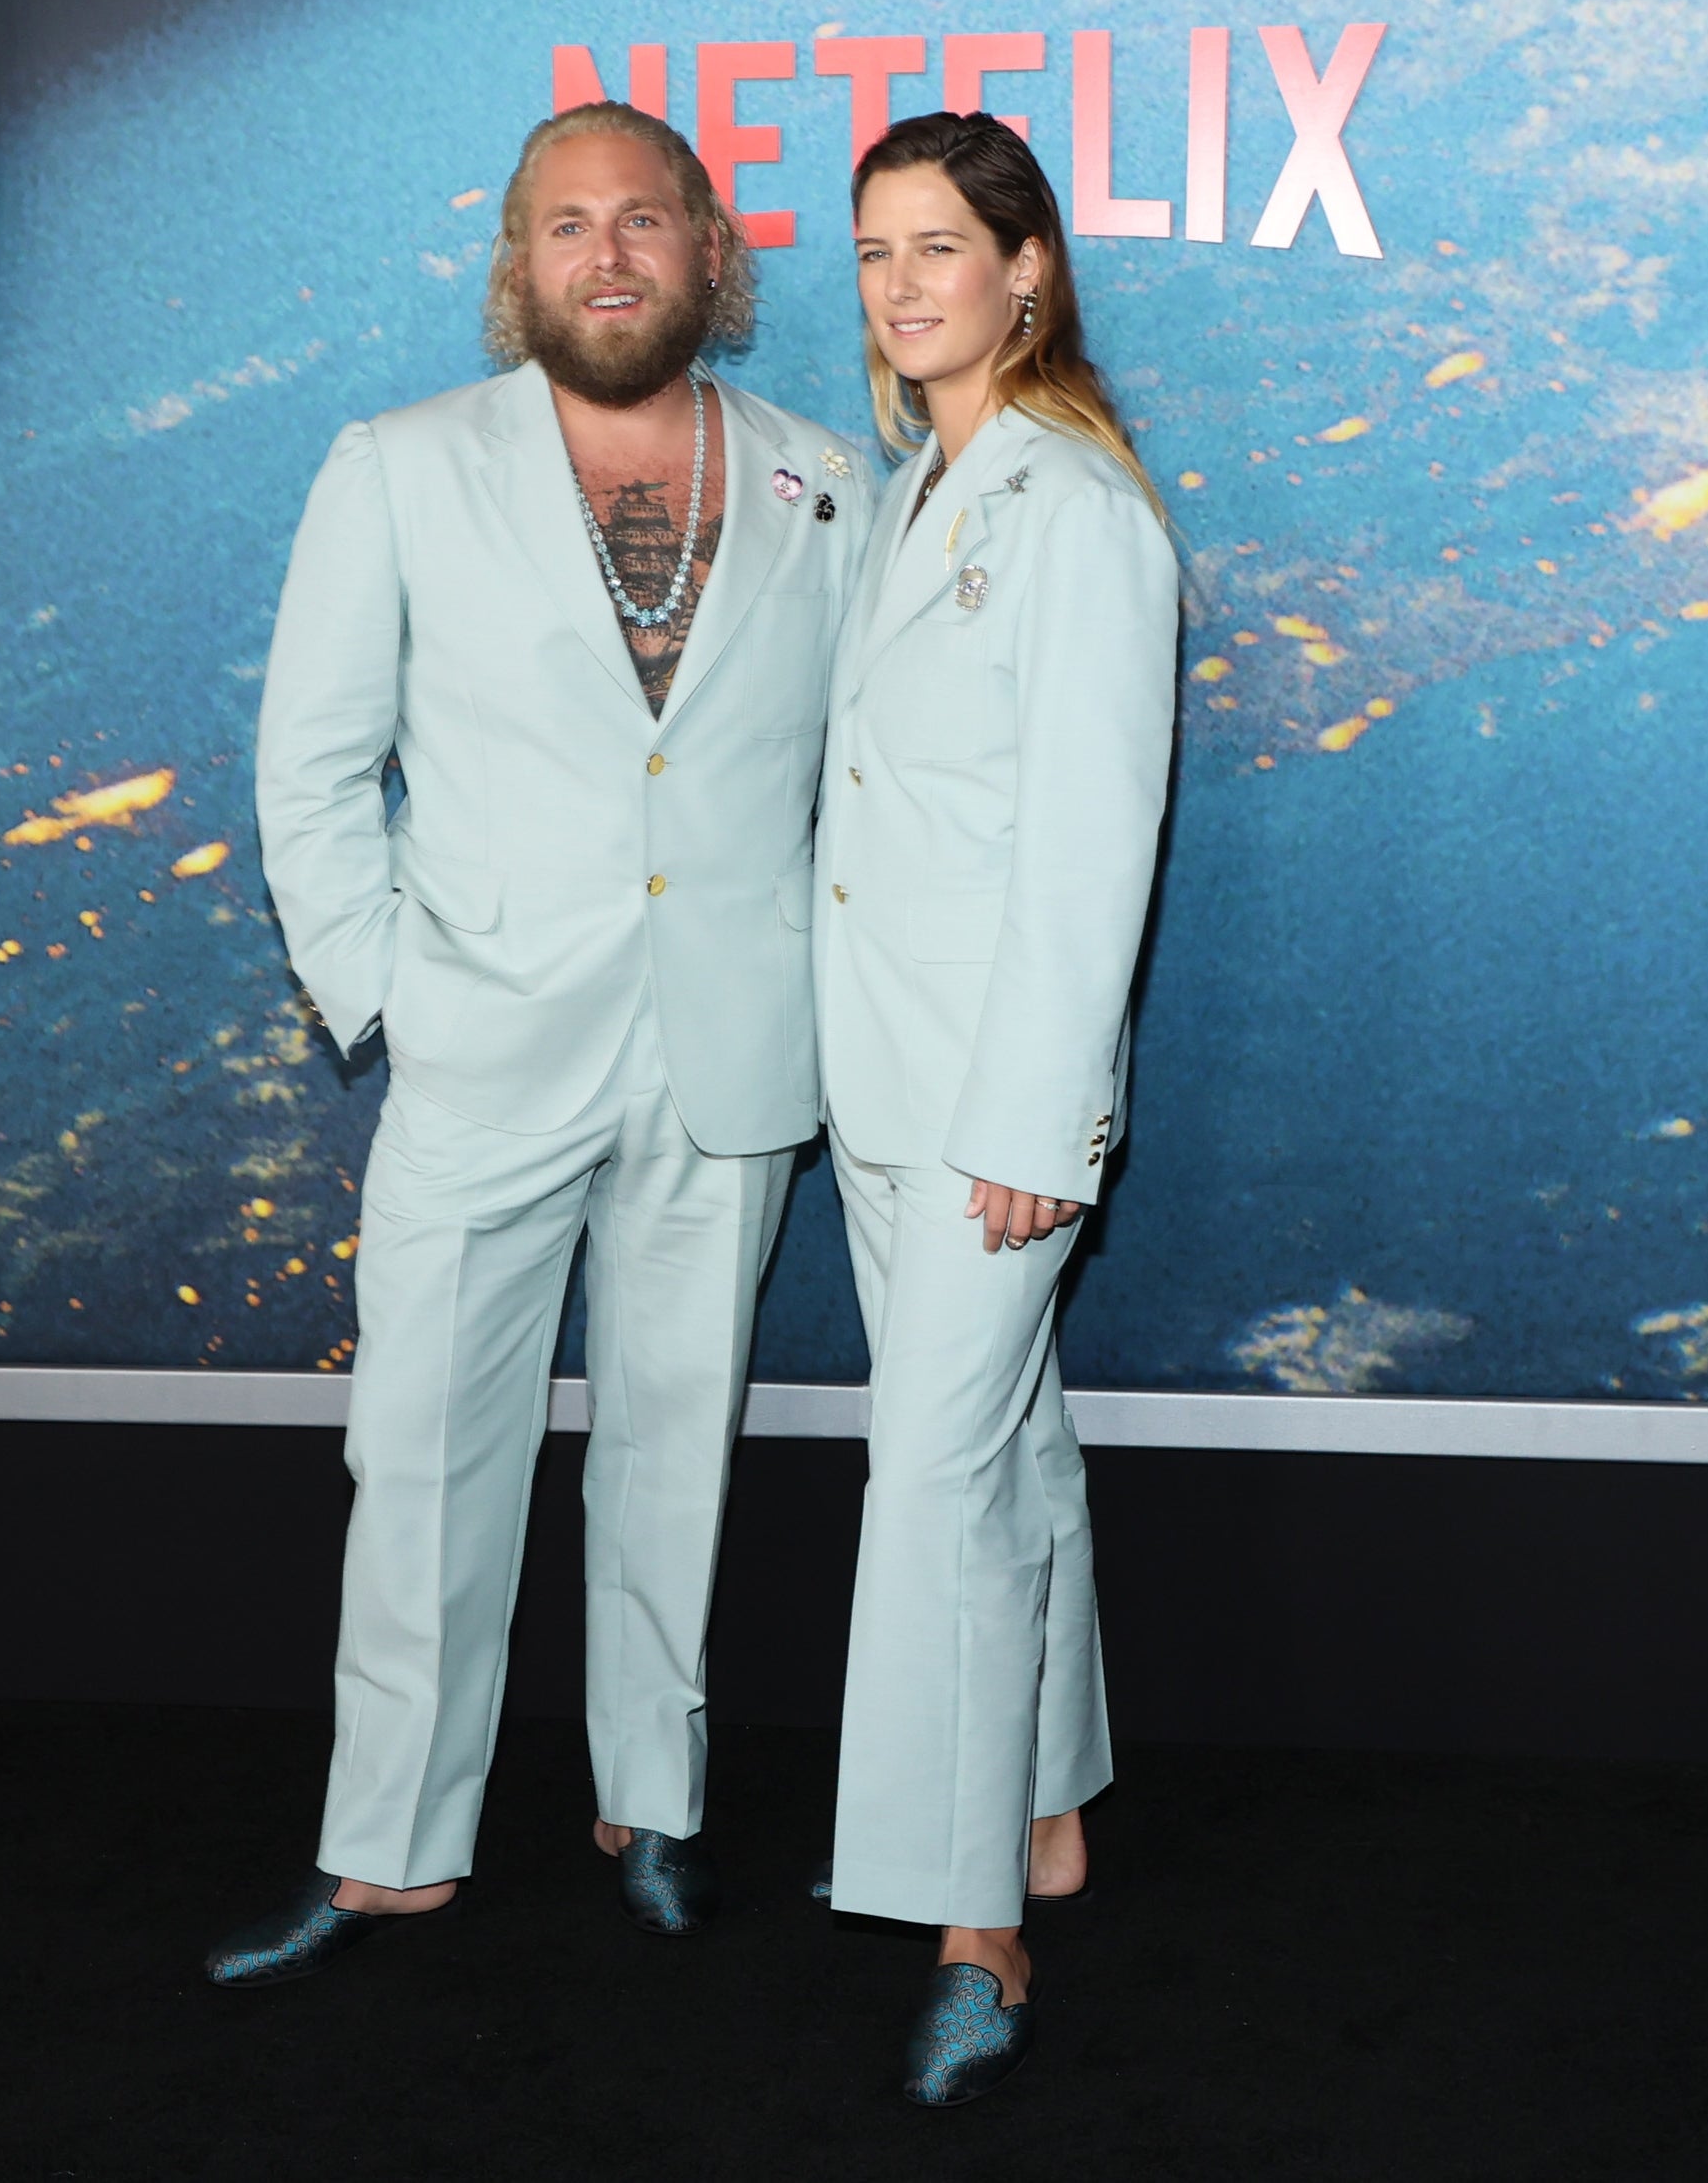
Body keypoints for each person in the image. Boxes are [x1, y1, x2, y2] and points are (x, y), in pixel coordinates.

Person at [212, 102, 870, 1984]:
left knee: (678, 1441)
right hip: (484, 1043)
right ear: (519, 263)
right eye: (567, 223)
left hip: (733, 1046)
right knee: (419, 1455)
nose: (607, 253)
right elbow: (311, 768)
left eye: (642, 219)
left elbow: (877, 780)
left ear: (704, 248)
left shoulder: (830, 482)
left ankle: (647, 1806)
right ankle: (389, 1852)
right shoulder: (400, 468)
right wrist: (398, 996)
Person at [812, 111, 1179, 2104]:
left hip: (988, 1107)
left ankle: (971, 1920)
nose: (902, 283)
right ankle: (1043, 1809)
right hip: (880, 1074)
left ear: (1026, 270)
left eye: (940, 246)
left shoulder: (1080, 511)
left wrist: (1042, 1126)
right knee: (1012, 1455)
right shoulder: (902, 492)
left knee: (936, 1488)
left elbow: (1090, 849)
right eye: (874, 251)